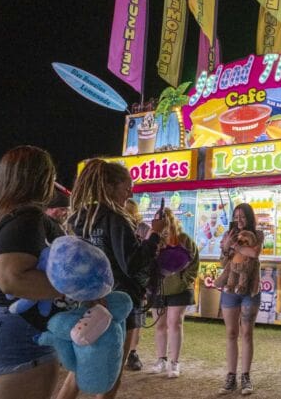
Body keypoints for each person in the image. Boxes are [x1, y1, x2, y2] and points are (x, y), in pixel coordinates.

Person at [57, 159, 165, 399]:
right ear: (110, 187)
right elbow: (132, 263)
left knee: (79, 366)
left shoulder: (78, 219)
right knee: (113, 371)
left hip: (86, 300)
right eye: (127, 188)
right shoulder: (115, 219)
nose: (130, 194)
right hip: (119, 302)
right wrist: (154, 235)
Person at [0, 146, 63, 399]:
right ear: (41, 178)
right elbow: (12, 278)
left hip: (1, 320)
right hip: (18, 327)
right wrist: (73, 288)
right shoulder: (26, 217)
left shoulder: (1, 213)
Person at [147, 208, 200, 378]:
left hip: (180, 289)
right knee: (160, 325)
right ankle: (161, 359)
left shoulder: (184, 239)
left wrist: (184, 280)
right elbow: (145, 260)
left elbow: (194, 262)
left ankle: (174, 362)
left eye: (162, 219)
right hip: (157, 287)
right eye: (156, 220)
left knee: (175, 323)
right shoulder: (154, 239)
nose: (159, 223)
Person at [217, 203, 263, 395]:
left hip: (250, 289)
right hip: (230, 289)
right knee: (231, 333)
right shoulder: (228, 234)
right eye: (236, 217)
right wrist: (226, 246)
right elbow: (223, 261)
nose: (239, 220)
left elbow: (254, 252)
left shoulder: (257, 234)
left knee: (247, 333)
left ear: (249, 217)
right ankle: (230, 376)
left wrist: (235, 246)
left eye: (242, 216)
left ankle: (245, 376)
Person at [123, 198, 151, 371]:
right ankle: (128, 353)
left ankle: (132, 353)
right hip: (124, 281)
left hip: (137, 282)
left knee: (136, 319)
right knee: (132, 319)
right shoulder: (118, 225)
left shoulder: (143, 228)